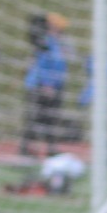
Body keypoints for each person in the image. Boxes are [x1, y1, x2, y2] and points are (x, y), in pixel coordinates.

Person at [19, 12, 69, 159]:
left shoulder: (57, 42)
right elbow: (43, 65)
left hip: (55, 85)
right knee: (34, 117)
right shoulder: (45, 43)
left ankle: (50, 148)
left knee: (52, 119)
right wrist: (47, 85)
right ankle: (26, 148)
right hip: (41, 86)